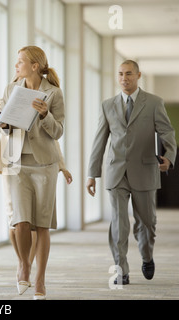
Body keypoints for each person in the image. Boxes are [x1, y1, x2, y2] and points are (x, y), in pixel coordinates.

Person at [86, 60, 177, 285]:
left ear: (138, 75)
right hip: (116, 171)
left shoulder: (154, 103)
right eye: (120, 74)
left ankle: (147, 256)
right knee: (118, 223)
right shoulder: (108, 105)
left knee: (146, 223)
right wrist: (92, 173)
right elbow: (100, 140)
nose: (124, 78)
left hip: (145, 170)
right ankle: (121, 269)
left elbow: (167, 132)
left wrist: (170, 157)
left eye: (128, 74)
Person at [0, 46, 65, 300]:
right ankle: (23, 264)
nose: (16, 66)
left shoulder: (53, 93)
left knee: (42, 224)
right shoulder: (12, 89)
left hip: (45, 165)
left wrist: (45, 115)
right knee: (20, 220)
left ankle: (40, 279)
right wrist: (1, 124)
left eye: (20, 62)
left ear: (35, 66)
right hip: (17, 163)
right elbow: (7, 127)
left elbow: (58, 132)